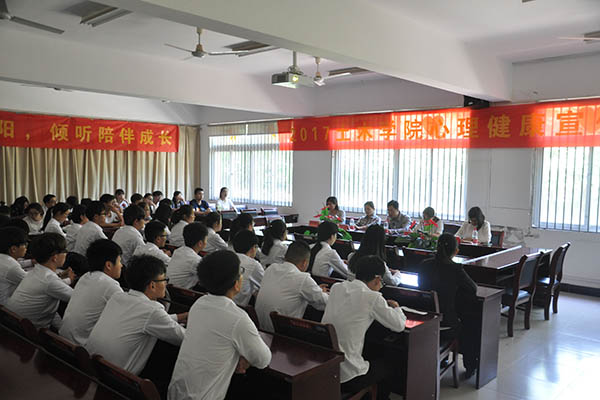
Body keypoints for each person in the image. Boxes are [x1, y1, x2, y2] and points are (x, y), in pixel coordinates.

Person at [168, 250, 271, 400]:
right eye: (241, 272)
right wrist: (245, 358)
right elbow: (263, 359)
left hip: (175, 394)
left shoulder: (199, 304)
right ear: (236, 284)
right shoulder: (237, 318)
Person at [85, 255, 187, 375]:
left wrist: (179, 317)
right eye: (164, 280)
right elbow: (183, 338)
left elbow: (144, 320)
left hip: (91, 367)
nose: (165, 284)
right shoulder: (152, 310)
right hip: (117, 379)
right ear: (152, 285)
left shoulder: (118, 297)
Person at [322, 255, 406, 399]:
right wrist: (397, 308)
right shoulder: (372, 297)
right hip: (349, 376)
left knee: (371, 350)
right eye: (382, 282)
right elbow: (399, 325)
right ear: (378, 279)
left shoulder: (337, 287)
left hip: (327, 368)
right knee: (391, 363)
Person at [418, 233, 478, 378]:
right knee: (471, 325)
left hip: (425, 321)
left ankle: (443, 359)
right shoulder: (455, 269)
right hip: (446, 325)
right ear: (456, 251)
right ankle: (470, 366)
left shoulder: (424, 265)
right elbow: (473, 288)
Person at [59, 239, 124, 345]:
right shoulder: (110, 285)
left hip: (62, 339)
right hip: (81, 346)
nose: (121, 265)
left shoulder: (86, 276)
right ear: (108, 265)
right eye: (119, 261)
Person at [255, 241, 329, 332]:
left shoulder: (271, 268)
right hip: (282, 333)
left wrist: (315, 289)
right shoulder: (302, 278)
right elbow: (325, 302)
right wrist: (321, 292)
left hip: (260, 329)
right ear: (305, 262)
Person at [6, 233, 74, 329]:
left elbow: (50, 309)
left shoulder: (35, 272)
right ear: (55, 257)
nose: (66, 254)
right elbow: (77, 298)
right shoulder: (49, 280)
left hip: (13, 325)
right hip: (29, 332)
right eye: (65, 251)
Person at [168, 223, 207, 289]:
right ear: (200, 243)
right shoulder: (195, 260)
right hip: (179, 293)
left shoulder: (178, 251)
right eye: (206, 239)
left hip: (170, 289)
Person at [232, 230, 264, 306]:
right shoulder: (253, 264)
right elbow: (265, 284)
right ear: (253, 248)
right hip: (238, 306)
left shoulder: (228, 256)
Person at [0, 227, 28, 306]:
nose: (26, 248)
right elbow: (33, 282)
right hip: (5, 308)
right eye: (25, 245)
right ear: (13, 249)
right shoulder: (11, 266)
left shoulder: (4, 259)